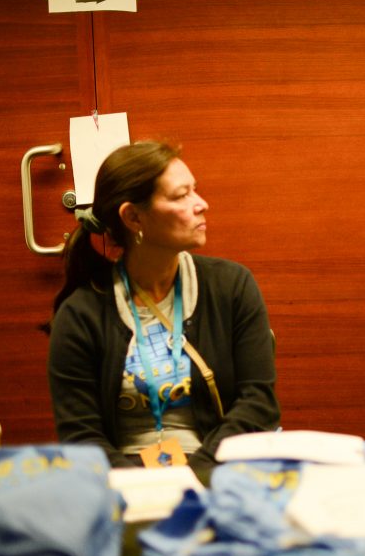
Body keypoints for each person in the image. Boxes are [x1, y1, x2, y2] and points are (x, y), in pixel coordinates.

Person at [47, 141, 279, 477]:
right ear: (134, 217)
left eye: (195, 190)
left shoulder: (231, 286)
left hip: (221, 471)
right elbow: (80, 436)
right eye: (180, 196)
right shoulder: (82, 315)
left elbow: (259, 404)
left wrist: (192, 476)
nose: (202, 204)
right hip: (123, 483)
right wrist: (142, 487)